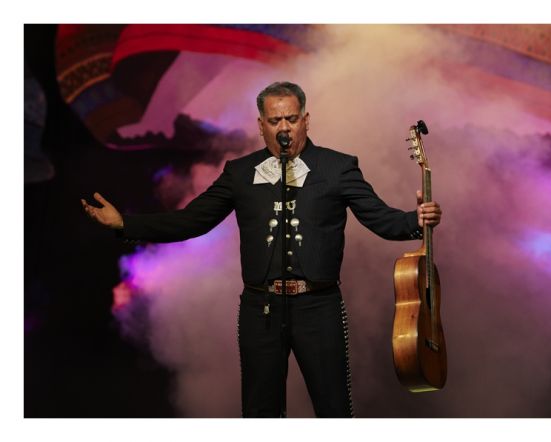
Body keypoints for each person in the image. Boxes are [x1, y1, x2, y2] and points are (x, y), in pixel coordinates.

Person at [81, 81, 442, 418]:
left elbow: (380, 219)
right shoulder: (240, 173)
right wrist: (125, 225)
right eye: (274, 120)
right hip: (260, 310)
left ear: (305, 120)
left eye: (291, 118)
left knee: (333, 410)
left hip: (318, 306)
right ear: (261, 125)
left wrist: (415, 218)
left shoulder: (337, 168)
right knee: (260, 413)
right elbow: (191, 221)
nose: (284, 127)